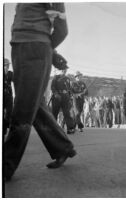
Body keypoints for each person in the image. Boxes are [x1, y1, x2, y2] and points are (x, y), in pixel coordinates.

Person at [4, 3, 77, 181]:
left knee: (22, 111)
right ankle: (62, 148)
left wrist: (47, 49)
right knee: (34, 105)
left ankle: (4, 166)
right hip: (20, 46)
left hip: (34, 47)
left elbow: (62, 28)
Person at [51, 68, 76, 134]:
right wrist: (56, 94)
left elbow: (69, 90)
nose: (64, 70)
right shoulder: (56, 77)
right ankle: (53, 129)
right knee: (55, 113)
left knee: (67, 113)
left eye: (65, 69)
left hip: (65, 97)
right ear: (60, 70)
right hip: (57, 97)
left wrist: (70, 98)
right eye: (63, 69)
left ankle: (70, 129)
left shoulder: (67, 79)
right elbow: (52, 87)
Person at [3, 58, 14, 136]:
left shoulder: (10, 73)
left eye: (7, 65)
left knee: (9, 112)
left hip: (9, 96)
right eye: (5, 65)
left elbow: (15, 80)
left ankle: (6, 125)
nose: (7, 66)